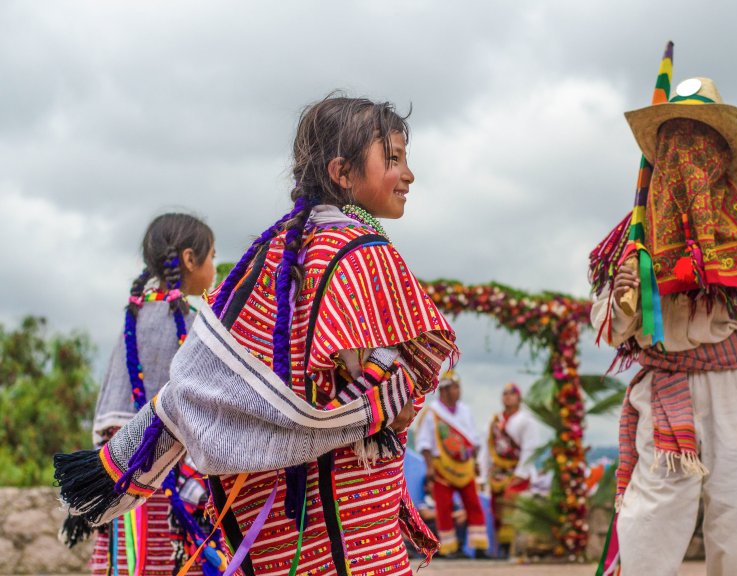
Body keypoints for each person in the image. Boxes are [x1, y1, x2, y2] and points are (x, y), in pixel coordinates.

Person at [56, 95, 459, 576]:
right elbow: (388, 390)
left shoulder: (271, 255)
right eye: (393, 158)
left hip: (270, 522)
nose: (408, 174)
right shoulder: (359, 252)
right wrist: (382, 405)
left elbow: (208, 384)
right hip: (345, 522)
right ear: (343, 173)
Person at [590, 76, 737, 576]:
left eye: (700, 137)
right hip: (665, 387)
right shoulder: (636, 227)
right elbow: (608, 327)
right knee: (651, 521)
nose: (688, 150)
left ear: (719, 150)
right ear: (664, 150)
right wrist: (627, 295)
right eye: (677, 137)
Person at [61, 213, 222, 575]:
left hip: (125, 476)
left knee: (132, 561)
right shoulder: (194, 325)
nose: (213, 266)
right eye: (211, 256)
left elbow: (113, 412)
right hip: (177, 480)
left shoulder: (132, 320)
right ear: (189, 259)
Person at [415, 371, 490, 558]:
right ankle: (450, 549)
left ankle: (480, 548)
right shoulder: (432, 413)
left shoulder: (465, 410)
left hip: (465, 467)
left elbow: (474, 440)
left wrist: (476, 462)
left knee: (473, 504)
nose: (459, 391)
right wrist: (430, 466)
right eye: (455, 387)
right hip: (442, 467)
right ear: (445, 390)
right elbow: (424, 443)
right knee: (444, 507)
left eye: (458, 387)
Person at [486, 382, 553, 558]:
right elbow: (490, 447)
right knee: (496, 508)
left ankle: (512, 548)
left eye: (511, 393)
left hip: (518, 472)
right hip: (498, 472)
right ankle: (501, 548)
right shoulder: (496, 420)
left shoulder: (526, 420)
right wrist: (485, 470)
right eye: (505, 393)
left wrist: (520, 474)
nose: (508, 396)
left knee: (511, 505)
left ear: (518, 398)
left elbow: (530, 448)